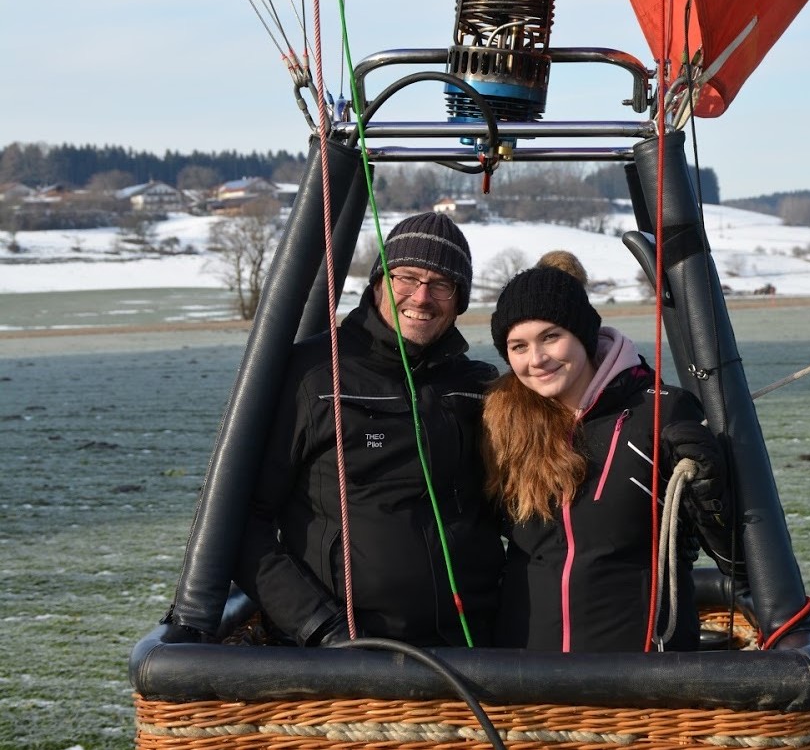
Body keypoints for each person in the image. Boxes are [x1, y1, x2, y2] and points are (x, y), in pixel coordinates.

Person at [234, 212, 504, 647]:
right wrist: (319, 627)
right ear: (379, 280)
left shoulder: (476, 386)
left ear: (459, 300)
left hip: (471, 644)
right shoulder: (314, 375)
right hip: (350, 652)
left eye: (441, 284)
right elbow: (242, 519)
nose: (421, 296)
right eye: (407, 277)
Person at [481, 265, 740, 653]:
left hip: (638, 681)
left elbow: (735, 557)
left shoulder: (659, 416)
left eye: (551, 337)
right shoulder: (504, 425)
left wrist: (711, 496)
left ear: (583, 336)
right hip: (527, 682)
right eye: (519, 346)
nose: (536, 359)